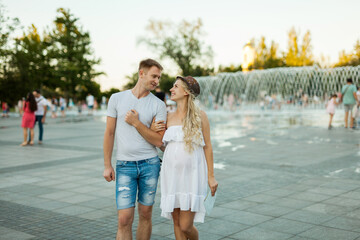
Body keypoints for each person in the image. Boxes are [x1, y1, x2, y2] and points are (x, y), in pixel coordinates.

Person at [102, 59, 167, 240]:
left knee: (145, 214)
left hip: (150, 165)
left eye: (159, 78)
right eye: (154, 76)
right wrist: (107, 165)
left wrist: (137, 123)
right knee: (124, 219)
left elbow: (158, 141)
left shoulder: (158, 105)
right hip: (125, 165)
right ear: (141, 73)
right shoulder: (117, 98)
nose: (157, 81)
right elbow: (109, 133)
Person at [151, 76, 218, 240]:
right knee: (176, 222)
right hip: (171, 174)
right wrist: (152, 129)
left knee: (186, 225)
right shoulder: (167, 116)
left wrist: (211, 176)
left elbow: (208, 146)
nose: (172, 90)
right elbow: (160, 143)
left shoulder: (200, 116)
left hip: (193, 175)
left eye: (176, 87)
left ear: (186, 92)